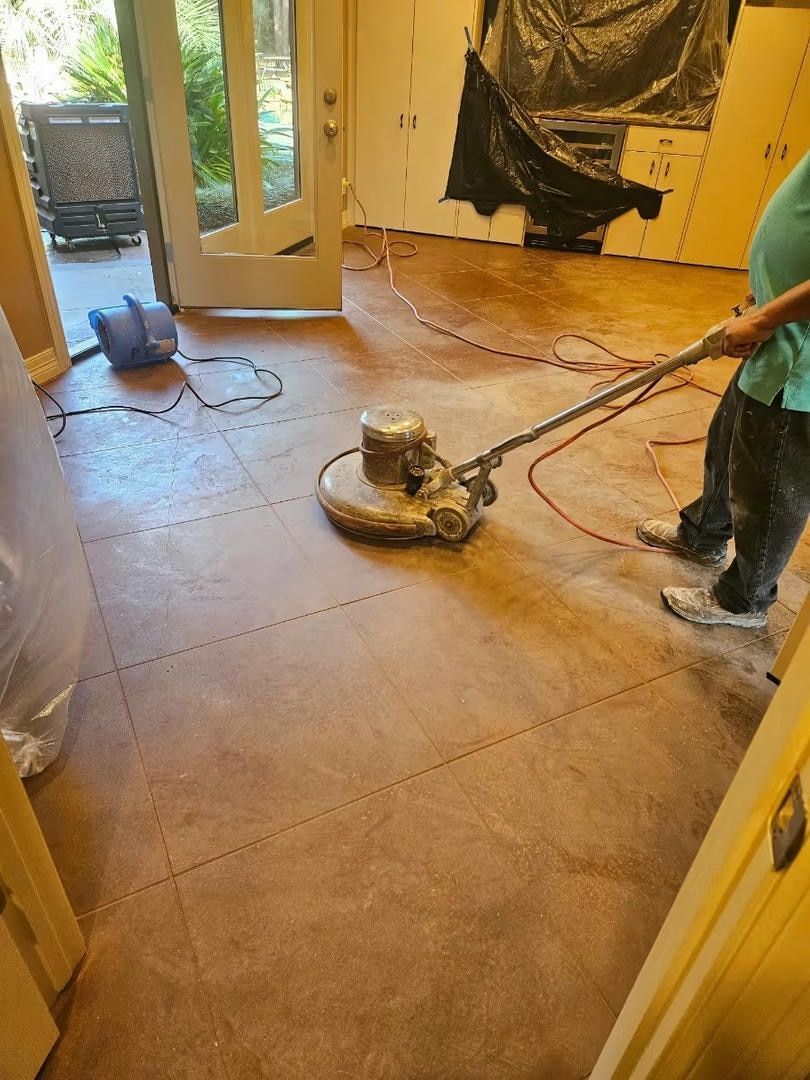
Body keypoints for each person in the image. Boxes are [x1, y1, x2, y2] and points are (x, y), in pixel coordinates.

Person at [637, 152, 810, 628]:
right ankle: (703, 535)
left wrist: (766, 317)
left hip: (800, 370)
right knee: (727, 442)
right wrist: (763, 299)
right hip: (779, 343)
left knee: (771, 486)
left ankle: (745, 600)